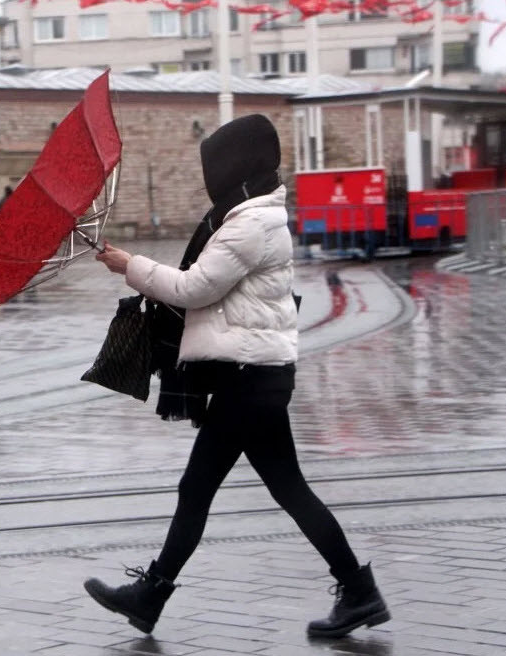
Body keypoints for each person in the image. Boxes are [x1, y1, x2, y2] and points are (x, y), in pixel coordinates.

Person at [83, 114, 389, 640]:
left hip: (247, 380)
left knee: (198, 488)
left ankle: (152, 593)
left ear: (234, 167)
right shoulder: (250, 216)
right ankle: (358, 591)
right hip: (256, 378)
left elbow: (193, 289)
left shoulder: (250, 224)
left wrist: (131, 265)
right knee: (285, 490)